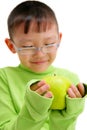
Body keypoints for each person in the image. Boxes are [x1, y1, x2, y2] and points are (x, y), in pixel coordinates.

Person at [0, 0, 86, 130]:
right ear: (12, 46)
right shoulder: (4, 78)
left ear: (59, 39)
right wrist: (33, 111)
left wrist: (67, 116)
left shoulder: (71, 81)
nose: (40, 54)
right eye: (28, 46)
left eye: (49, 44)